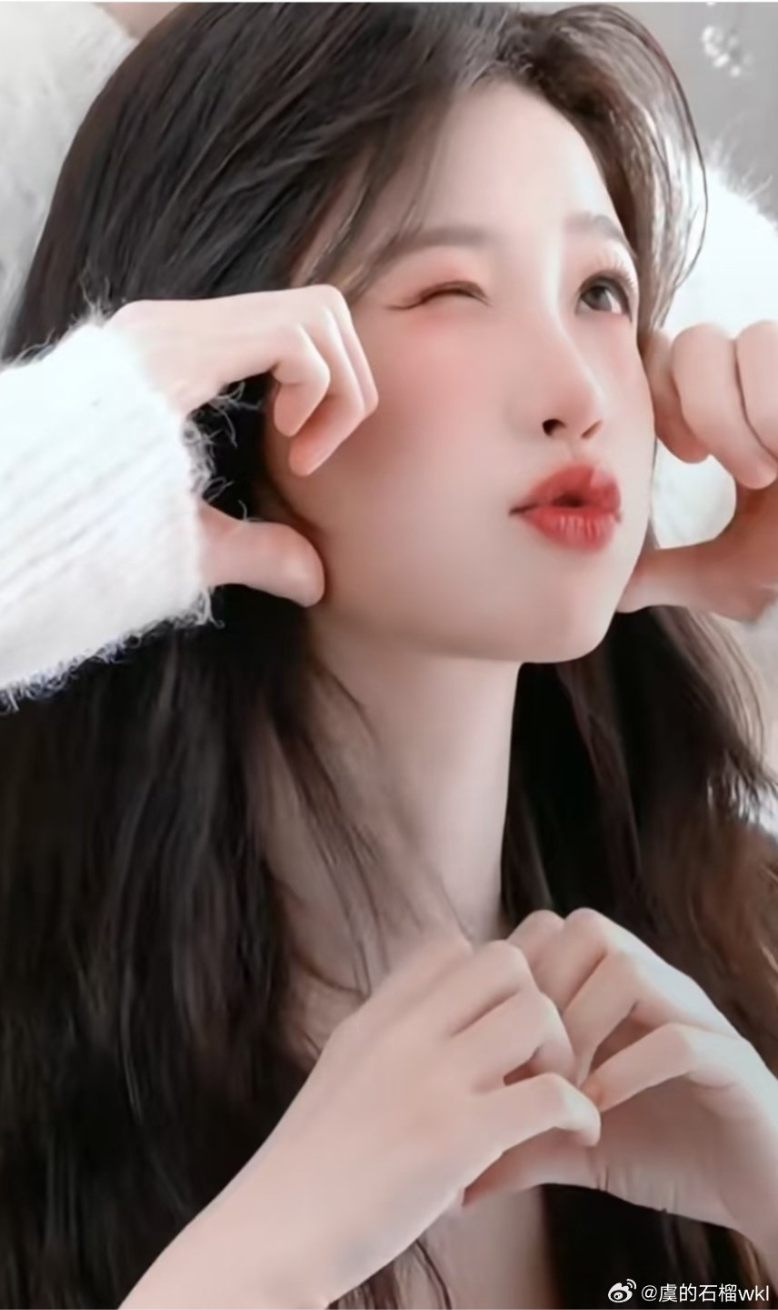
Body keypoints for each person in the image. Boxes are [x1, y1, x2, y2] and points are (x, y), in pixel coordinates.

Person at [1, 5, 778, 1308]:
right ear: (222, 394)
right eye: (448, 293)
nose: (578, 394)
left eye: (600, 292)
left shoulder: (732, 961)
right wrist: (262, 1263)